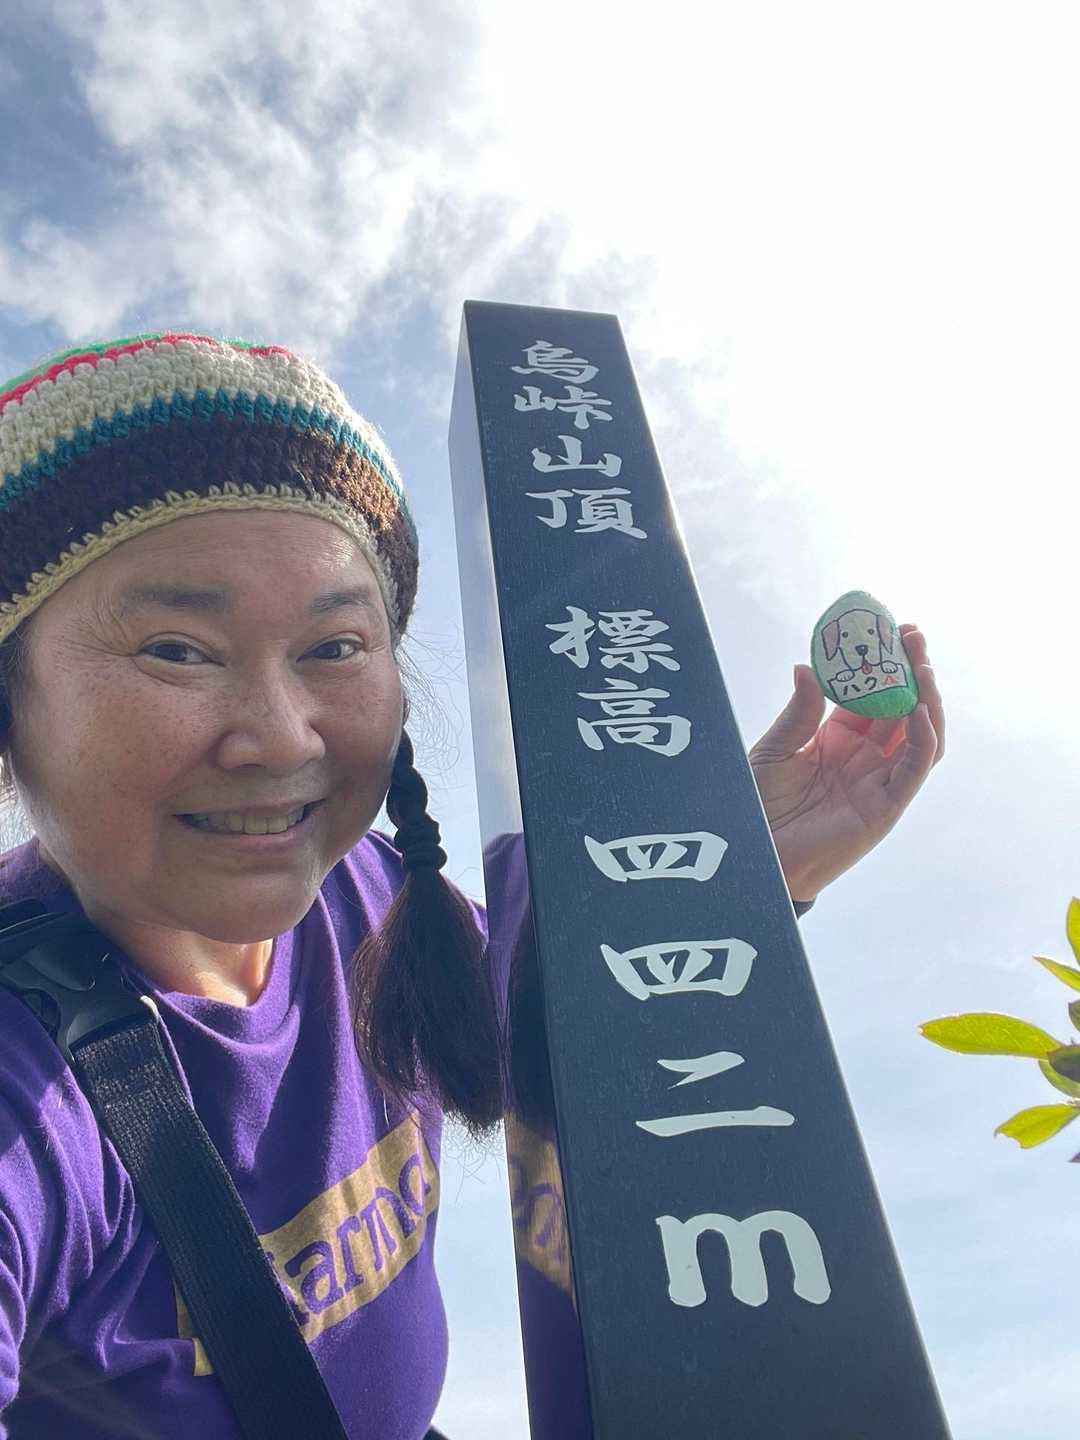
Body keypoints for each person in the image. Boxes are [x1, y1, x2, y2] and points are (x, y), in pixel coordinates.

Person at [0, 332, 945, 1439]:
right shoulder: (28, 1084)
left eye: (334, 647)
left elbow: (569, 1018)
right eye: (176, 649)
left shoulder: (380, 903)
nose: (282, 735)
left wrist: (732, 871)